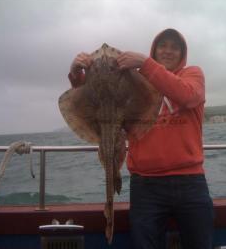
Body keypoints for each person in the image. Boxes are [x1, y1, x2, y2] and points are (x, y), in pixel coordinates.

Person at [68, 28, 214, 249]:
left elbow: (188, 95)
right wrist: (77, 74)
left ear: (183, 53)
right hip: (146, 186)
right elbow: (95, 99)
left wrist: (145, 64)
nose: (168, 51)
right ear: (154, 49)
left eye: (174, 47)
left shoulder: (192, 74)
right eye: (162, 45)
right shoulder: (136, 80)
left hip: (189, 182)